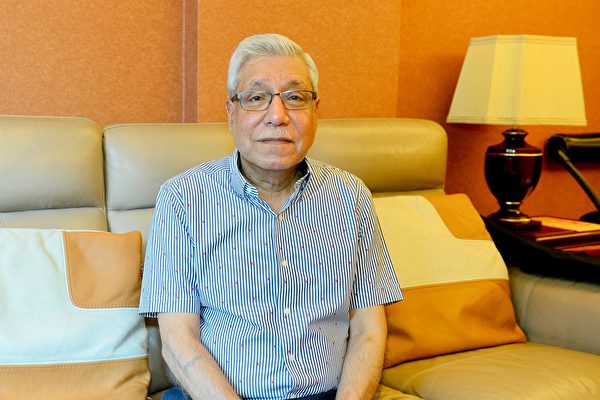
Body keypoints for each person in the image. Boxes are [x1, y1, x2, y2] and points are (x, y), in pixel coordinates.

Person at [139, 33, 403, 400]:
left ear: (315, 111)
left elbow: (368, 330)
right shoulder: (183, 198)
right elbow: (178, 339)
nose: (277, 117)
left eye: (295, 98)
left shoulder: (351, 196)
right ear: (231, 113)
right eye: (256, 98)